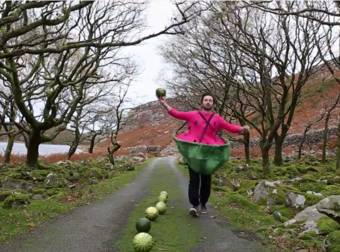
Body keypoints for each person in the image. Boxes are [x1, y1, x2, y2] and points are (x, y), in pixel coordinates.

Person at [159, 93, 249, 217]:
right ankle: (194, 205)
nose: (208, 102)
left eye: (210, 100)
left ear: (213, 103)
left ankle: (203, 204)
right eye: (206, 100)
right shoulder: (193, 114)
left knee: (206, 181)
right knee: (194, 180)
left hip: (209, 154)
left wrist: (241, 129)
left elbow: (229, 127)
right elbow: (177, 113)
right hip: (194, 152)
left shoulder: (217, 118)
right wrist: (164, 103)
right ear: (202, 102)